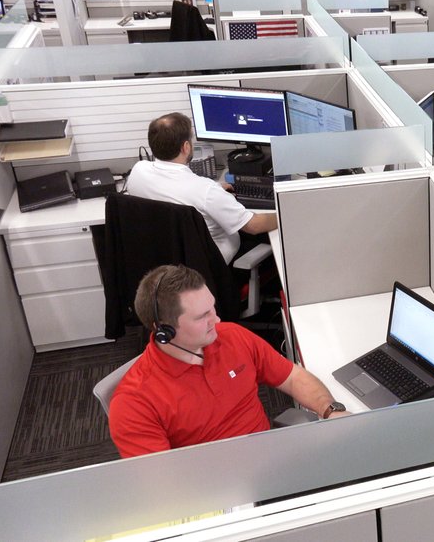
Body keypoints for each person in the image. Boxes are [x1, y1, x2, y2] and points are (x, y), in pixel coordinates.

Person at [109, 265, 348, 458]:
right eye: (203, 316)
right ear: (164, 331)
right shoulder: (134, 403)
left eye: (212, 308)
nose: (217, 319)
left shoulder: (231, 335)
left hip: (272, 459)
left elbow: (293, 377)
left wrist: (330, 410)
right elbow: (163, 486)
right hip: (219, 490)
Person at [127, 113, 277, 265]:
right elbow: (254, 226)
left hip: (166, 257)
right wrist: (285, 215)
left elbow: (174, 189)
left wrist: (215, 190)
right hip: (210, 262)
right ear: (186, 147)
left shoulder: (138, 171)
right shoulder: (206, 191)